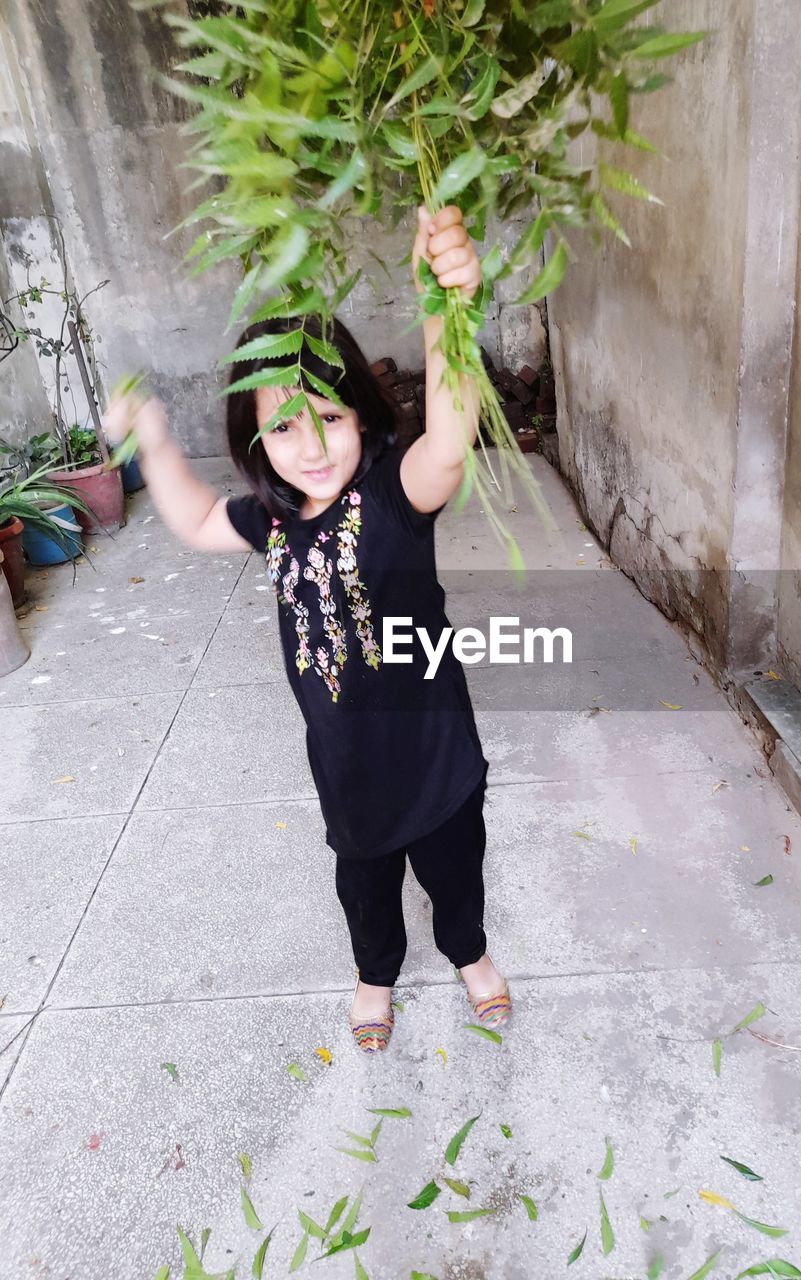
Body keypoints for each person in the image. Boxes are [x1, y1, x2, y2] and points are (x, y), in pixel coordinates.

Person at [104, 205, 511, 1054]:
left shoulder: (397, 494)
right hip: (348, 764)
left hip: (434, 754)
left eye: (328, 416)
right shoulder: (273, 521)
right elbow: (191, 518)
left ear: (360, 415)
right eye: (283, 426)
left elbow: (448, 436)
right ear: (256, 440)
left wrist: (448, 311)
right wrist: (153, 440)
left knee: (454, 870)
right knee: (364, 885)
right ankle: (375, 975)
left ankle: (470, 956)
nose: (311, 444)